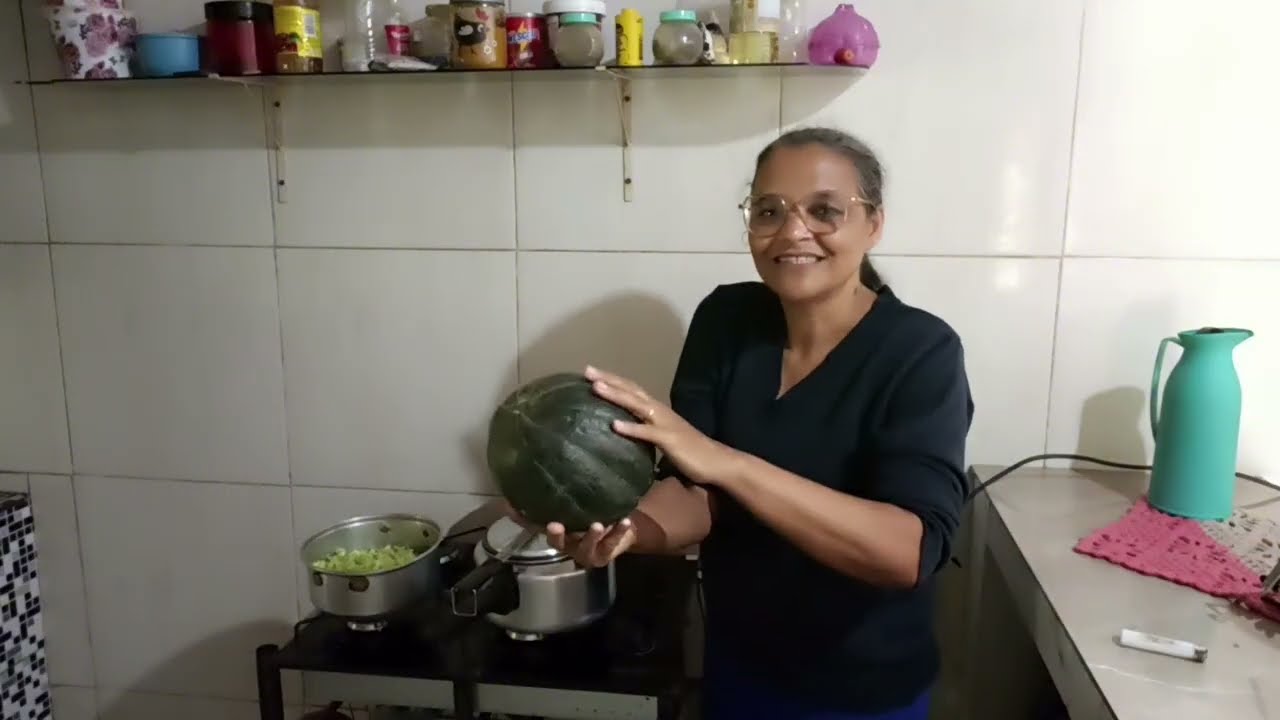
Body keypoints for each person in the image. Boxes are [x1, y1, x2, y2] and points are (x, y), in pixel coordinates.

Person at [521, 127, 974, 720]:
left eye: (824, 211)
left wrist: (729, 461)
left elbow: (907, 552)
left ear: (873, 225)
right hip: (740, 666)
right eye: (769, 210)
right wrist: (626, 531)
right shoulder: (726, 320)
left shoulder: (921, 352)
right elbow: (698, 495)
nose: (793, 231)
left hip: (861, 691)